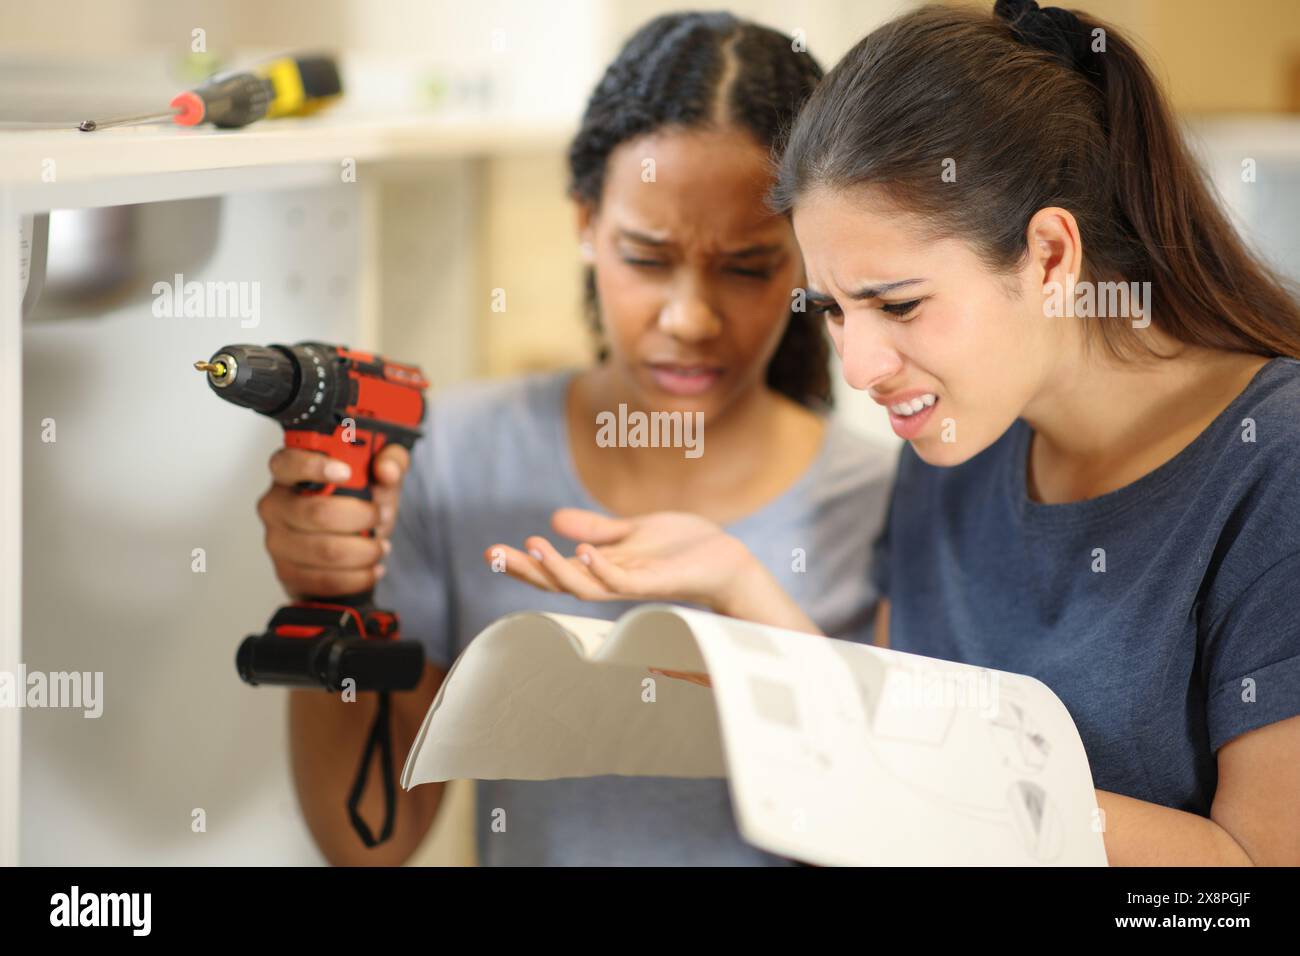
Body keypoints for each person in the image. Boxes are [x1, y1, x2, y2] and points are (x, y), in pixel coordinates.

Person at [493, 1, 1300, 866]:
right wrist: (742, 589)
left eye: (900, 303)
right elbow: (890, 757)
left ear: (1053, 258)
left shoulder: (1273, 466)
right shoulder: (955, 440)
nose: (860, 365)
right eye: (835, 309)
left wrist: (978, 785)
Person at [258, 12, 894, 865]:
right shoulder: (452, 458)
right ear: (586, 221)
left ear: (806, 260)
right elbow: (368, 841)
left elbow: (899, 829)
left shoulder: (886, 500)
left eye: (747, 266)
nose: (689, 318)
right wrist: (325, 598)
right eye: (646, 255)